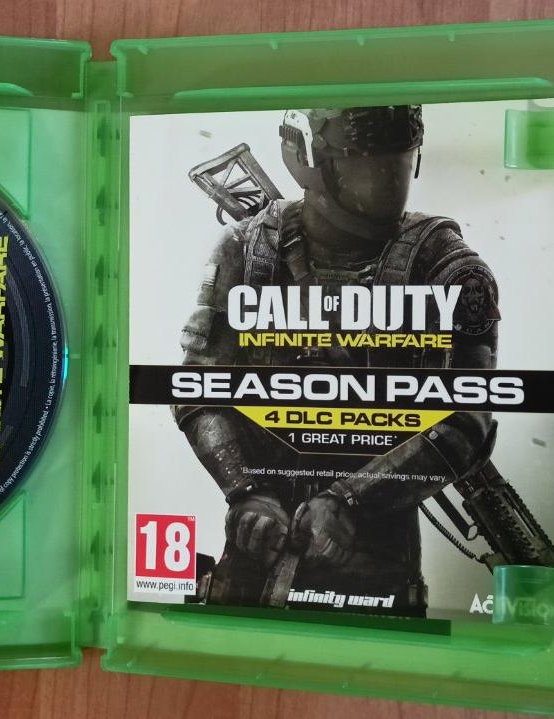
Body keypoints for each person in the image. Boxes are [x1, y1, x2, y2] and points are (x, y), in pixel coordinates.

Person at [173, 105, 502, 616]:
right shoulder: (249, 249)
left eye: (397, 162)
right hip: (253, 558)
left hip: (373, 567)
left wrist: (352, 499)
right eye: (365, 163)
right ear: (306, 159)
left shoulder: (445, 265)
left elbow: (467, 416)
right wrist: (246, 491)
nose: (388, 183)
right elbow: (197, 387)